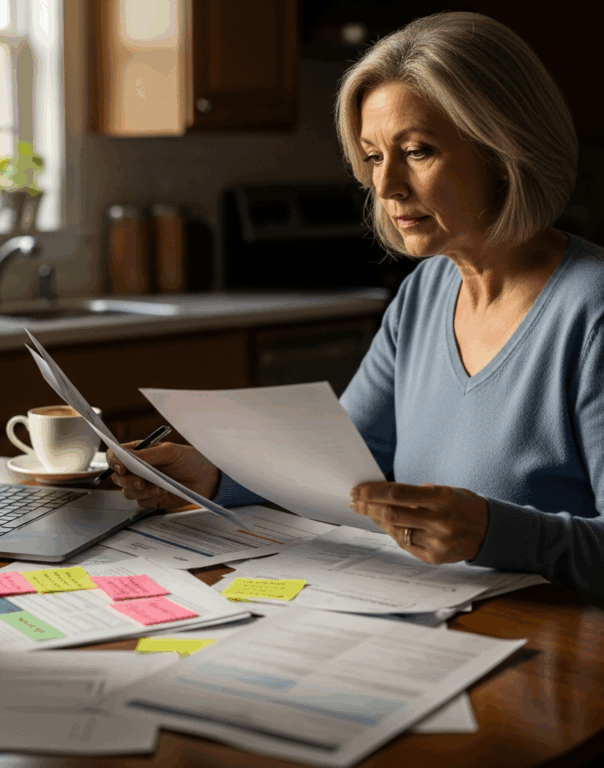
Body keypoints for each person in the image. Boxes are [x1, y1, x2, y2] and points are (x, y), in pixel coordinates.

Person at [106, 12, 604, 599]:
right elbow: (341, 470)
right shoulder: (423, 295)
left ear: (503, 151)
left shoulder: (591, 309)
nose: (386, 185)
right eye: (372, 157)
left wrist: (493, 532)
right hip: (435, 626)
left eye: (417, 152)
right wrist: (216, 476)